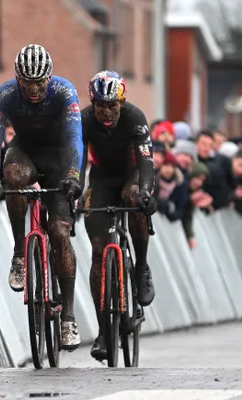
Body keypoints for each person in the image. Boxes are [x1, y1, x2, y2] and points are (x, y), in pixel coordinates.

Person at [0, 44, 83, 350]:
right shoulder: (5, 94)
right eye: (27, 83)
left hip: (60, 156)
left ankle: (67, 315)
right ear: (17, 79)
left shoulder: (64, 92)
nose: (35, 89)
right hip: (24, 152)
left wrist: (74, 177)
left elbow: (76, 137)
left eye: (40, 83)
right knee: (13, 178)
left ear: (49, 79)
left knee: (59, 233)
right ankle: (19, 254)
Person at [79, 70, 157, 362]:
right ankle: (103, 332)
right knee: (98, 254)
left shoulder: (135, 118)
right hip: (101, 180)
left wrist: (147, 192)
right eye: (101, 106)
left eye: (112, 106)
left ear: (121, 103)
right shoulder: (85, 120)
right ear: (93, 104)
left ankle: (141, 268)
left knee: (134, 197)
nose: (107, 112)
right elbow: (76, 156)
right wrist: (75, 186)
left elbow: (147, 161)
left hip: (132, 175)